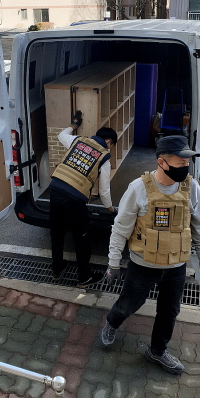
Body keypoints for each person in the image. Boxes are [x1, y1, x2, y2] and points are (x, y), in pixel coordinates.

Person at [100, 135, 200, 374]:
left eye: (187, 163)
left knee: (170, 311)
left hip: (176, 266)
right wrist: (113, 263)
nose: (186, 168)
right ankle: (112, 322)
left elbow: (199, 225)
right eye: (180, 163)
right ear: (161, 162)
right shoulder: (138, 189)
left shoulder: (190, 187)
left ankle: (157, 351)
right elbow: (120, 228)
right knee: (129, 304)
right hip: (143, 265)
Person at [50, 110, 117, 287]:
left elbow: (61, 135)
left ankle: (57, 270)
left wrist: (74, 124)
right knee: (81, 238)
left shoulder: (77, 141)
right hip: (74, 199)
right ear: (108, 141)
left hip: (55, 189)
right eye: (111, 145)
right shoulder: (104, 157)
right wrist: (110, 209)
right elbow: (104, 190)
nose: (109, 149)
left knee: (57, 233)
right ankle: (84, 277)